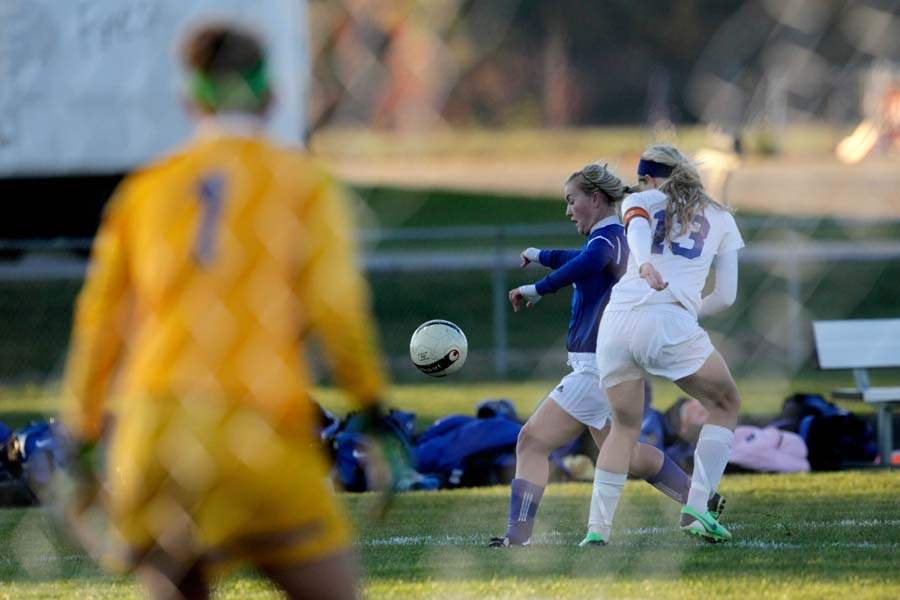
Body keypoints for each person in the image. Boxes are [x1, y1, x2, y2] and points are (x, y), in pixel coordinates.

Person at [60, 22, 394, 600]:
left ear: (190, 98)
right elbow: (337, 310)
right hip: (257, 425)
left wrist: (80, 433)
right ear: (272, 96)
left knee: (175, 580)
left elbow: (98, 324)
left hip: (158, 432)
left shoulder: (146, 190)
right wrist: (371, 408)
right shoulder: (299, 183)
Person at [488, 162, 722, 549]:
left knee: (531, 441)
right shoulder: (615, 237)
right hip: (611, 365)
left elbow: (586, 262)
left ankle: (517, 537)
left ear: (595, 199)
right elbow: (579, 258)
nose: (568, 210)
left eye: (571, 200)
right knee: (625, 455)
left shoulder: (607, 241)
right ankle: (700, 499)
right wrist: (539, 253)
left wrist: (536, 289)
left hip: (596, 368)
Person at [588, 144, 744, 544]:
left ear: (653, 178)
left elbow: (638, 226)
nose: (640, 185)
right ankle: (696, 506)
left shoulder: (641, 200)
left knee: (623, 427)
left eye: (643, 177)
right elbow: (726, 295)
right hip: (669, 321)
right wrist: (687, 310)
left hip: (617, 321)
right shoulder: (721, 216)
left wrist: (643, 263)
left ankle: (597, 531)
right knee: (725, 404)